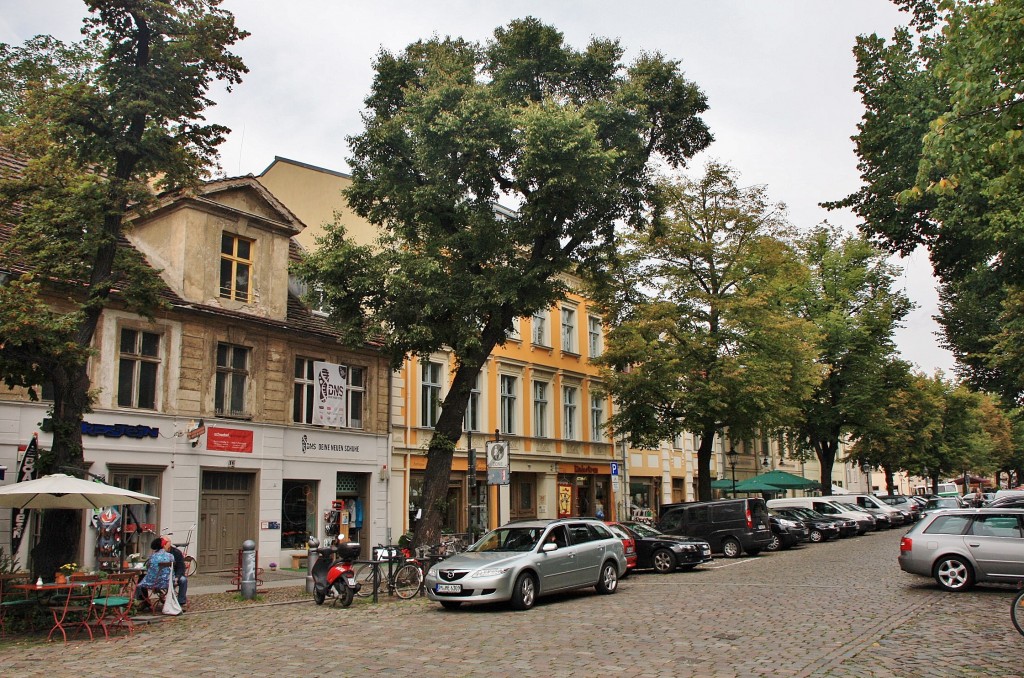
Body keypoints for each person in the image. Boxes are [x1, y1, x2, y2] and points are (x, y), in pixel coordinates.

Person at [136, 537, 174, 609]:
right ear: (164, 546)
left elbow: (148, 567)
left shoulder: (152, 557)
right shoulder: (170, 556)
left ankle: (145, 602)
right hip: (167, 582)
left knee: (140, 582)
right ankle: (163, 597)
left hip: (152, 582)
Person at [162, 536, 189, 609]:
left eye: (164, 543)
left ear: (168, 544)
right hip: (162, 578)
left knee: (183, 580)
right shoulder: (159, 552)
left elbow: (181, 567)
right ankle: (144, 601)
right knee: (141, 579)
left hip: (175, 574)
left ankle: (181, 601)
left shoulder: (176, 553)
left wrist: (177, 577)